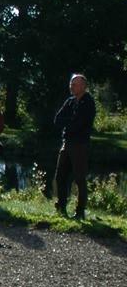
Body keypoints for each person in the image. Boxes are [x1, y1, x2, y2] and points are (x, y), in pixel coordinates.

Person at [53, 74, 96, 219]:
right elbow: (57, 119)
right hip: (67, 143)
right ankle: (61, 206)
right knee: (60, 176)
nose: (72, 86)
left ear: (84, 86)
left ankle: (80, 211)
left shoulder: (88, 103)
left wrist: (69, 122)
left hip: (80, 144)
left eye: (75, 84)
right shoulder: (70, 101)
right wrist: (70, 121)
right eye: (71, 84)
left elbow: (80, 124)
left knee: (79, 178)